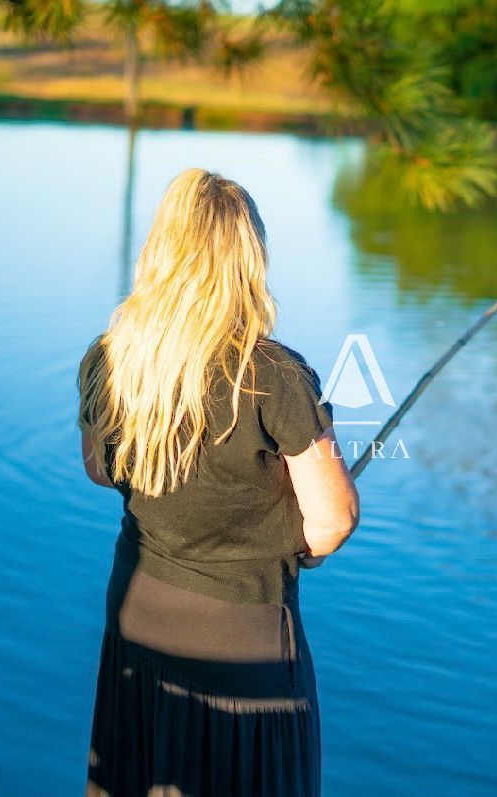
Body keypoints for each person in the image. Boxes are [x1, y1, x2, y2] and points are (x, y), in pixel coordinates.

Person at [78, 167, 359, 797]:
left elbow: (100, 470)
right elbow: (332, 521)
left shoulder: (111, 356)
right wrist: (296, 541)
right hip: (246, 640)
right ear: (247, 260)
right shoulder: (274, 376)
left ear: (161, 251)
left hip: (138, 611)